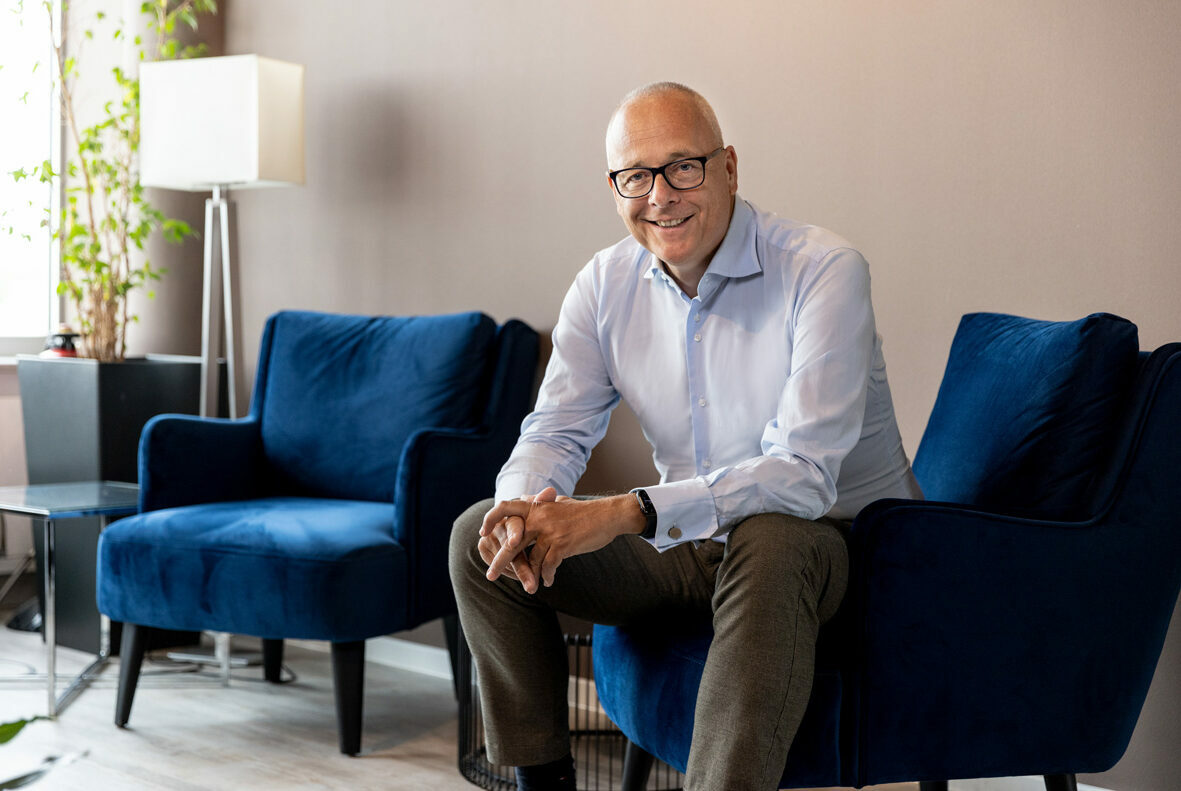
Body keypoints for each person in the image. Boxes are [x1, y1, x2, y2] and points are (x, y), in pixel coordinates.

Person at [449, 81, 922, 791]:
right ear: (614, 187)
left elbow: (800, 474)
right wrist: (520, 509)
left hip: (840, 546)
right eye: (635, 177)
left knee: (771, 535)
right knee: (477, 536)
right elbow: (555, 427)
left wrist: (623, 512)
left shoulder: (823, 269)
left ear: (728, 167)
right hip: (691, 545)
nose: (660, 196)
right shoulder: (604, 285)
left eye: (682, 167)